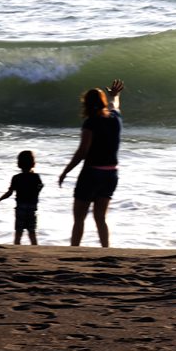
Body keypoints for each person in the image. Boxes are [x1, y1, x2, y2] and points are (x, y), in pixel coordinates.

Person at [59, 80, 124, 247]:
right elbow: (114, 105)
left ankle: (74, 250)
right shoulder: (115, 118)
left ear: (86, 104)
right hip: (111, 174)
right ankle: (106, 250)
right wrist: (115, 95)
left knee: (79, 218)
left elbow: (82, 152)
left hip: (92, 174)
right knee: (100, 218)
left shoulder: (90, 123)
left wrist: (66, 171)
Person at [0, 150, 44, 245]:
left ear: (19, 164)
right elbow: (40, 187)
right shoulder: (35, 177)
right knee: (32, 232)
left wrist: (0, 198)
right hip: (31, 208)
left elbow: (10, 192)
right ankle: (35, 249)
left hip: (20, 208)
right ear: (33, 163)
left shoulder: (16, 178)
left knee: (18, 232)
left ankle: (16, 247)